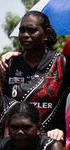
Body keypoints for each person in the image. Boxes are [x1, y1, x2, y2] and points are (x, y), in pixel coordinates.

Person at [4, 11, 66, 140]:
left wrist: (63, 130)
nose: (25, 35)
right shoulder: (9, 64)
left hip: (52, 141)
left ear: (46, 34)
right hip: (16, 142)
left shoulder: (61, 62)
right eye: (22, 30)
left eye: (31, 30)